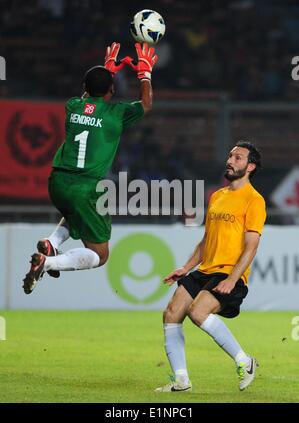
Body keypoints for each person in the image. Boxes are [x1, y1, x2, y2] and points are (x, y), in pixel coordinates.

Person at [23, 42, 158, 294]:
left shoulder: (73, 106)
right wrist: (145, 73)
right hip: (86, 187)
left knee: (74, 215)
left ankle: (51, 242)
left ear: (84, 88)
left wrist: (107, 71)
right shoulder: (116, 114)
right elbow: (146, 103)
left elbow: (89, 98)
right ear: (112, 90)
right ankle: (48, 262)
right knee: (100, 254)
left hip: (57, 183)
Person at [156, 141, 266, 392]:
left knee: (198, 312)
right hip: (205, 270)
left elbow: (251, 246)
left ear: (250, 166)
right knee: (171, 314)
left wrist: (233, 278)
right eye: (229, 155)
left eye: (238, 158)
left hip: (229, 272)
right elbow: (206, 240)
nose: (230, 160)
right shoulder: (217, 196)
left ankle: (245, 362)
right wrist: (186, 267)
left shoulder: (254, 200)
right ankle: (181, 380)